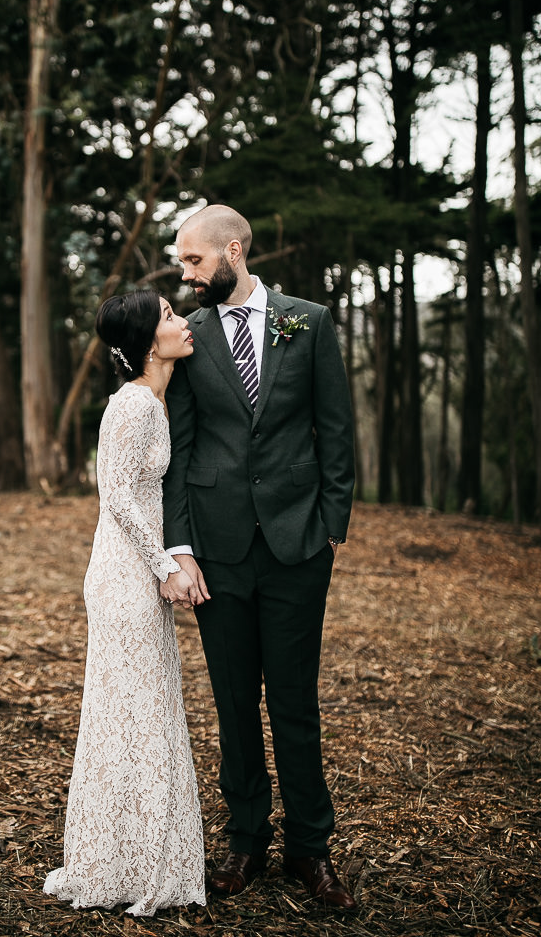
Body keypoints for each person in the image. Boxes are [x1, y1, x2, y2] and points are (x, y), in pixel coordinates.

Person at [161, 204, 357, 911]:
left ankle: (312, 848)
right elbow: (180, 449)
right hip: (218, 551)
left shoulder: (309, 321)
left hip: (298, 544)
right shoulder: (190, 336)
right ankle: (246, 839)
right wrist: (179, 548)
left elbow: (335, 427)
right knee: (235, 703)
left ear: (233, 251)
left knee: (296, 703)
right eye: (184, 263)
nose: (186, 275)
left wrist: (332, 525)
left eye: (194, 260)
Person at [44, 289, 206, 917]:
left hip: (136, 570)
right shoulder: (134, 406)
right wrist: (165, 564)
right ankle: (125, 864)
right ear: (144, 342)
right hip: (123, 577)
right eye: (168, 316)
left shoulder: (154, 402)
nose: (181, 321)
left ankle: (138, 856)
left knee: (142, 713)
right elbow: (116, 500)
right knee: (134, 713)